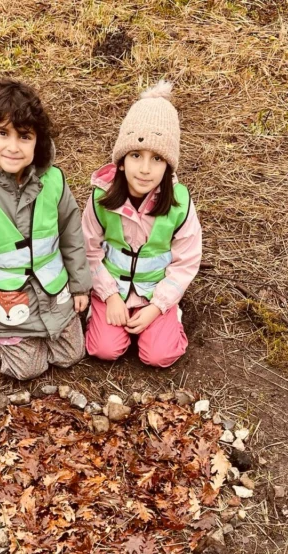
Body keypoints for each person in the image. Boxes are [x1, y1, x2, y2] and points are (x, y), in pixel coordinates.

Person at [0, 79, 91, 381]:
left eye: (24, 136)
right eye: (3, 133)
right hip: (10, 300)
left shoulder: (53, 181)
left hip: (53, 291)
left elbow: (71, 235)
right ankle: (11, 342)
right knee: (27, 370)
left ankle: (48, 333)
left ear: (37, 140)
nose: (13, 147)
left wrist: (80, 285)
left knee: (72, 355)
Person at [82, 81, 202, 368]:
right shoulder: (101, 198)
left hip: (154, 294)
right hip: (112, 290)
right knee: (103, 350)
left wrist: (158, 306)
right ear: (122, 161)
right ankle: (99, 315)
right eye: (136, 155)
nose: (145, 169)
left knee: (160, 356)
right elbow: (88, 251)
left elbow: (186, 262)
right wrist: (109, 296)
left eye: (157, 158)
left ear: (168, 166)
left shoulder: (180, 204)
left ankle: (169, 319)